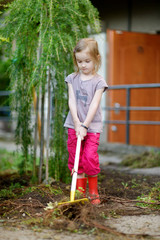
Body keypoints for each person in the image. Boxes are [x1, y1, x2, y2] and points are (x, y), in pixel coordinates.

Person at [64, 38, 108, 205]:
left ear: (96, 58)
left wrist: (84, 125)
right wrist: (76, 123)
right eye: (79, 61)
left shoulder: (99, 82)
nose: (83, 65)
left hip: (92, 127)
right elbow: (72, 101)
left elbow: (94, 105)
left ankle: (93, 191)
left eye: (87, 61)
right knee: (75, 158)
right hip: (73, 125)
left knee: (89, 157)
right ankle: (80, 193)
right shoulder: (71, 78)